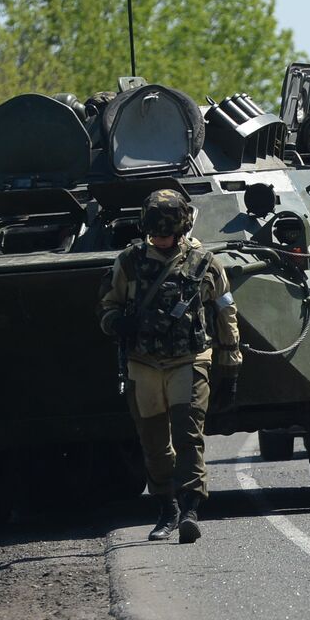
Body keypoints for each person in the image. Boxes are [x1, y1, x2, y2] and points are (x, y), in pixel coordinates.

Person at [98, 189, 241, 542]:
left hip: (189, 359)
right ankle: (166, 507)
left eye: (167, 234)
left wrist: (230, 362)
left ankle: (191, 507)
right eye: (155, 234)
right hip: (143, 363)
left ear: (181, 230)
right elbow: (107, 305)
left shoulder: (205, 263)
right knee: (154, 443)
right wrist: (117, 322)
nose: (160, 240)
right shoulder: (129, 262)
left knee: (188, 434)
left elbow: (226, 311)